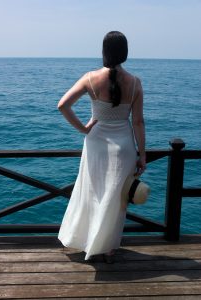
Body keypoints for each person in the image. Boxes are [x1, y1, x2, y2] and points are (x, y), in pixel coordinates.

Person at [57, 31, 146, 263]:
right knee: (117, 199)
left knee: (92, 192)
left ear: (104, 51)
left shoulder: (90, 78)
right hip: (124, 147)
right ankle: (108, 248)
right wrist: (142, 155)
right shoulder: (135, 83)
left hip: (96, 143)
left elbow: (63, 105)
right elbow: (138, 122)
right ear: (125, 53)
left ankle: (87, 240)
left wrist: (83, 129)